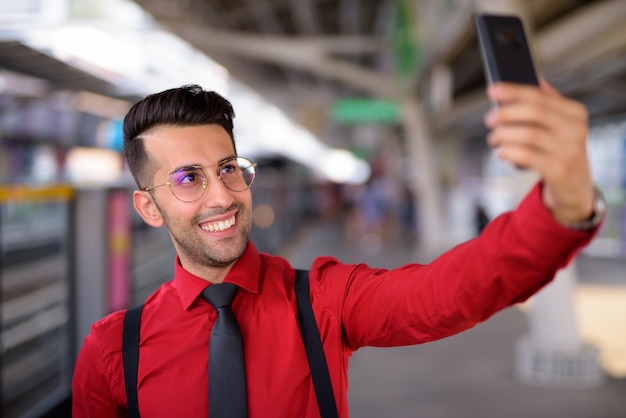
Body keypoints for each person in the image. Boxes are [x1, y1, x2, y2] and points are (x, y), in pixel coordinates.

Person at [72, 81, 604, 417]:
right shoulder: (111, 352)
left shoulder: (321, 299)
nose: (222, 196)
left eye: (228, 169)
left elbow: (447, 292)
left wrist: (566, 204)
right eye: (189, 178)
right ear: (147, 207)